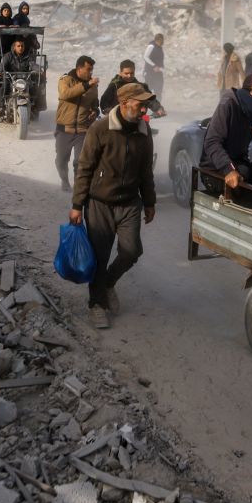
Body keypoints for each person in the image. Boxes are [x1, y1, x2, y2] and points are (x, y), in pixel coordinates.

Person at [69, 82, 157, 330]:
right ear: (125, 103)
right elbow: (84, 168)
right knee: (100, 255)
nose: (143, 110)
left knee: (131, 251)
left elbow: (145, 170)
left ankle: (107, 283)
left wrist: (149, 202)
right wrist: (77, 205)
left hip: (129, 203)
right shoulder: (100, 128)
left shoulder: (144, 131)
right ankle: (96, 304)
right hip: (100, 203)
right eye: (140, 105)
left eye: (145, 105)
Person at [200, 73, 252, 193]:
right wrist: (228, 169)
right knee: (242, 178)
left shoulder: (250, 113)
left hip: (239, 167)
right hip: (216, 172)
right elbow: (212, 142)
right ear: (247, 92)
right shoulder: (228, 105)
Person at [56, 56, 100, 192]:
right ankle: (64, 180)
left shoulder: (93, 86)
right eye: (88, 70)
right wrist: (86, 85)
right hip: (64, 129)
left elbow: (94, 103)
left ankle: (78, 189)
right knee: (61, 160)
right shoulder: (65, 80)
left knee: (80, 162)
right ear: (79, 69)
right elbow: (66, 94)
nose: (90, 73)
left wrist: (95, 111)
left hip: (82, 130)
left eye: (92, 70)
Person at [100, 60, 166, 117]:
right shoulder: (114, 86)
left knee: (146, 129)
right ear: (120, 72)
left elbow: (150, 99)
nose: (129, 76)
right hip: (118, 119)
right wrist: (110, 112)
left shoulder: (140, 86)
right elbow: (104, 103)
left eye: (132, 73)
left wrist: (158, 108)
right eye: (126, 73)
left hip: (137, 118)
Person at [143, 33, 165, 99]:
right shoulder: (151, 46)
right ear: (157, 40)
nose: (162, 42)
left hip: (158, 73)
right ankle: (143, 107)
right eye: (161, 41)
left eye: (163, 41)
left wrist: (161, 68)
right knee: (148, 90)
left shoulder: (160, 47)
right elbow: (145, 57)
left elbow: (160, 60)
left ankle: (158, 108)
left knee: (158, 90)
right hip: (149, 72)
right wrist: (154, 66)